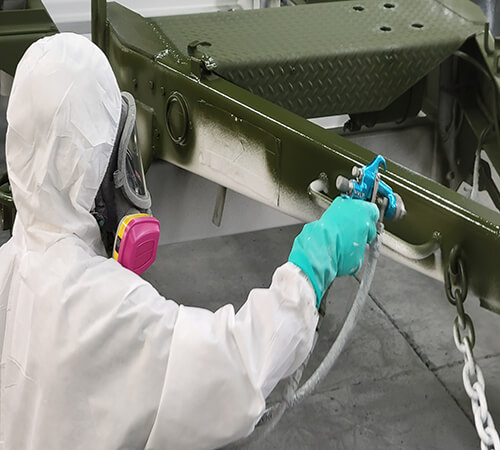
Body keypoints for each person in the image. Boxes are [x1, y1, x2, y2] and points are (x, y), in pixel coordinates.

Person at [0, 33, 379, 450]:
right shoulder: (103, 308)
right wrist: (313, 264)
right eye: (118, 157)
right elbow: (234, 368)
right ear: (86, 167)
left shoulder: (10, 264)